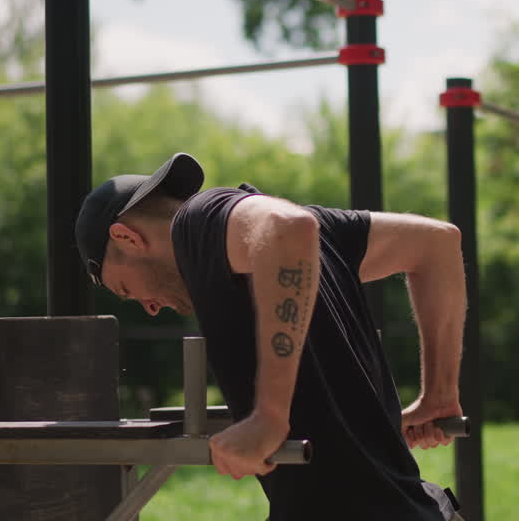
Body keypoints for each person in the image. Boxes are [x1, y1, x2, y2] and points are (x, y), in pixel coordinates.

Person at [75, 152, 467, 521]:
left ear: (127, 238)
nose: (149, 306)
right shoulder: (316, 236)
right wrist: (440, 394)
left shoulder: (197, 222)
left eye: (127, 289)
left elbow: (287, 227)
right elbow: (436, 245)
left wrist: (269, 417)